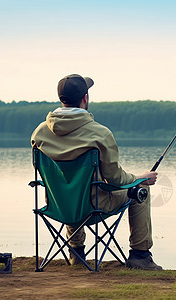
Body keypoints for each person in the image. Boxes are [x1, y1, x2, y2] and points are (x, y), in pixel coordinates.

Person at [31, 74, 162, 270]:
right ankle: (140, 256)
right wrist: (140, 178)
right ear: (85, 98)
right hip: (94, 207)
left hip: (59, 206)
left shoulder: (39, 133)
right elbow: (115, 179)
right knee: (140, 189)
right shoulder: (99, 133)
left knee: (69, 187)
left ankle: (76, 253)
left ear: (61, 99)